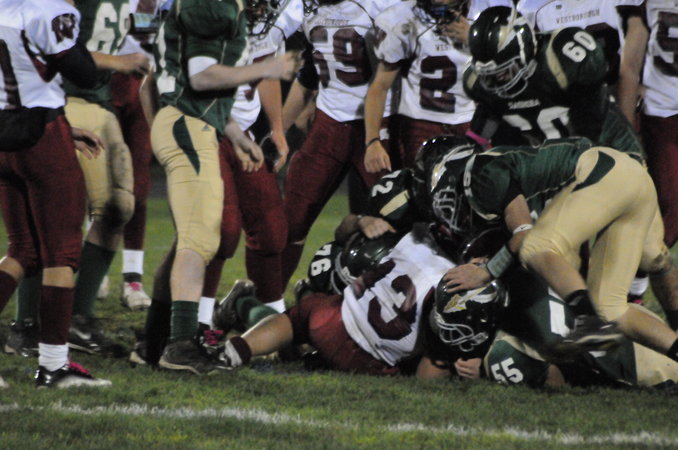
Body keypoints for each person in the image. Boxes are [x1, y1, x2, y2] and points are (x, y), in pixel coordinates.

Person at [149, 0, 300, 375]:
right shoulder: (211, 6)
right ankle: (181, 342)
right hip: (188, 125)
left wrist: (237, 136)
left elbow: (204, 95)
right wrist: (267, 68)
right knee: (202, 238)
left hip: (203, 124)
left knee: (195, 239)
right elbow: (200, 79)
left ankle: (153, 342)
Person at [436, 137, 678, 364]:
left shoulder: (481, 170)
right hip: (630, 179)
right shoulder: (515, 178)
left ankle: (589, 321)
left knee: (536, 246)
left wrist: (486, 272)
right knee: (610, 310)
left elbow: (524, 235)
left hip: (608, 170)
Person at [0, 0, 111, 387]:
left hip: (4, 138)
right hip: (41, 137)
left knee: (22, 250)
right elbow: (86, 74)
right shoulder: (47, 9)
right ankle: (53, 365)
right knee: (61, 252)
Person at [278, 0, 401, 293]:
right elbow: (308, 75)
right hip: (329, 124)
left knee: (398, 222)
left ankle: (392, 302)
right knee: (290, 222)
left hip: (379, 126)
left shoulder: (382, 6)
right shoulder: (309, 9)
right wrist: (277, 132)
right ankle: (269, 301)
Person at [617, 1, 678, 263]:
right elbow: (629, 66)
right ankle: (635, 277)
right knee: (667, 209)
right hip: (663, 112)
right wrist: (625, 131)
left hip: (662, 112)